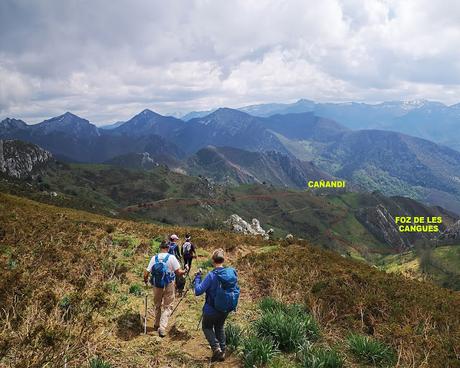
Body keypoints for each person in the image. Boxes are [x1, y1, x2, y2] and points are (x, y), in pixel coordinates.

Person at [193, 249, 240, 362]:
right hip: (225, 308)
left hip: (211, 309)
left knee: (207, 327)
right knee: (219, 327)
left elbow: (198, 291)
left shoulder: (211, 275)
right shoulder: (230, 273)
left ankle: (216, 348)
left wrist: (198, 277)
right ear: (223, 259)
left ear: (212, 260)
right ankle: (222, 352)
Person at [144, 240, 186, 337]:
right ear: (168, 248)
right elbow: (178, 272)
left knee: (157, 304)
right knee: (168, 306)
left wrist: (146, 280)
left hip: (156, 284)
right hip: (169, 283)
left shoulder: (154, 258)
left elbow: (146, 272)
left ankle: (156, 324)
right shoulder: (172, 257)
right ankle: (162, 328)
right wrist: (185, 271)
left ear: (160, 248)